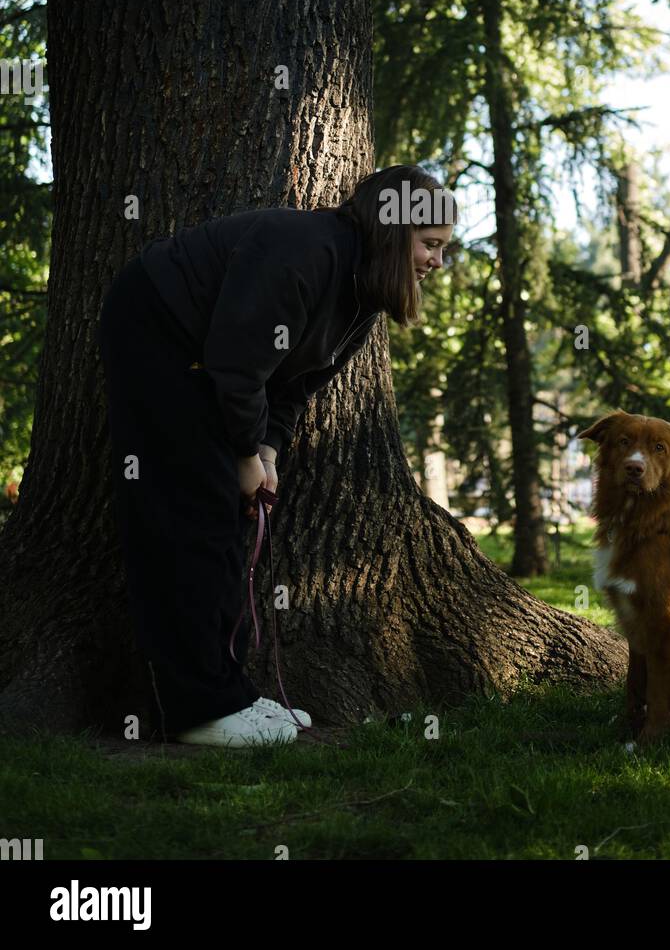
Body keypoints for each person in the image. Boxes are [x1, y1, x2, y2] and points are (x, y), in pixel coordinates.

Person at [97, 164, 455, 748]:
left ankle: (228, 694)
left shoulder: (362, 294)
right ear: (395, 229)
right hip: (158, 331)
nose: (438, 263)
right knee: (193, 519)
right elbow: (237, 365)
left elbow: (295, 385)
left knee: (228, 529)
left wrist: (266, 451)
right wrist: (242, 454)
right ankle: (197, 711)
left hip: (218, 373)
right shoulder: (305, 249)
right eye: (432, 245)